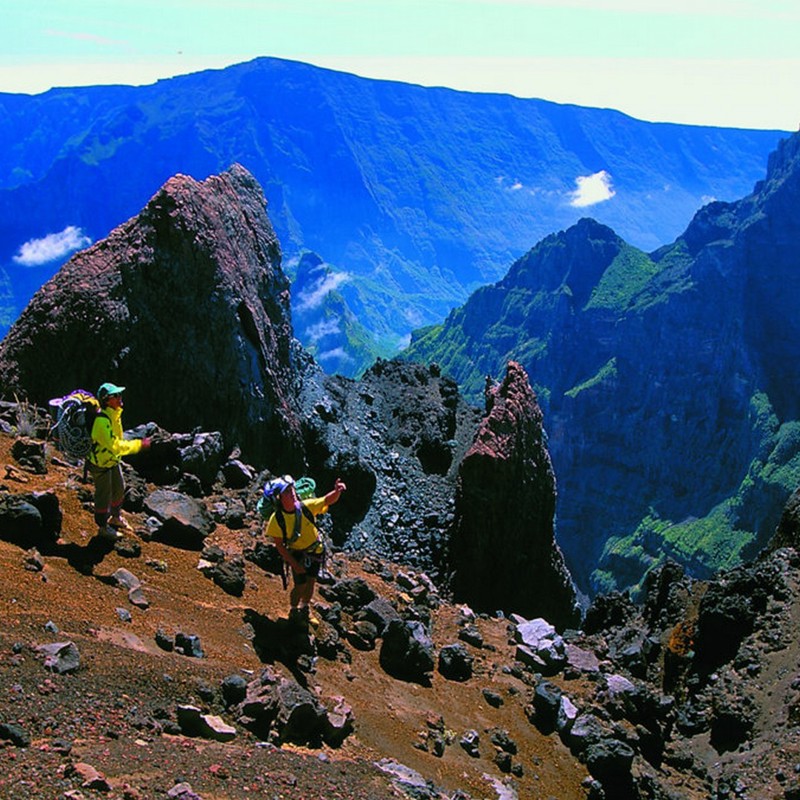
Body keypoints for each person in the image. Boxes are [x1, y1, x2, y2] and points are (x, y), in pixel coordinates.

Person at [264, 474, 346, 623]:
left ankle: (305, 607)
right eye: (287, 492)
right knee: (300, 585)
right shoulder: (276, 520)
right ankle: (294, 609)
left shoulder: (306, 507)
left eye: (292, 489)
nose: (292, 493)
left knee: (311, 582)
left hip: (315, 551)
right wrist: (294, 564)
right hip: (297, 555)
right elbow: (280, 546)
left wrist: (336, 492)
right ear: (279, 498)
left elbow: (326, 500)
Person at [87, 382, 151, 540]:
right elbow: (115, 446)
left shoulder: (114, 415)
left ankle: (115, 517)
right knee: (103, 495)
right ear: (106, 400)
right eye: (115, 395)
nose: (119, 397)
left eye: (119, 394)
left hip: (111, 460)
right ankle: (103, 527)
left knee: (119, 489)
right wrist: (139, 445)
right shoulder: (101, 421)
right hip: (100, 463)